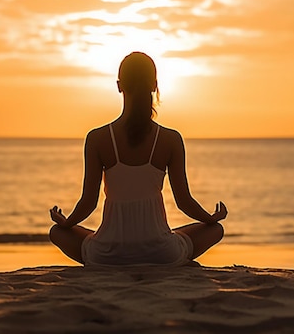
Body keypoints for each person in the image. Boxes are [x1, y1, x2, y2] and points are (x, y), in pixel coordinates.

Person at [49, 52, 227, 266]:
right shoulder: (170, 139)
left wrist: (67, 222)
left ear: (119, 86)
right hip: (161, 254)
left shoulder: (97, 138)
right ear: (154, 85)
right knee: (215, 230)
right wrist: (210, 218)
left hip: (107, 255)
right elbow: (183, 202)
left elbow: (88, 203)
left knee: (57, 232)